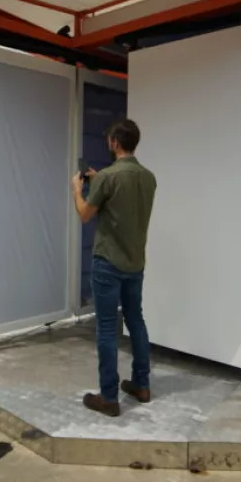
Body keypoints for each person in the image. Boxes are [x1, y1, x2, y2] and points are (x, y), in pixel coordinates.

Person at [70, 118, 157, 417]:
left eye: (109, 140)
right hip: (135, 262)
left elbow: (85, 214)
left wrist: (77, 190)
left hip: (108, 262)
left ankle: (109, 397)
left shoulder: (108, 177)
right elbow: (123, 201)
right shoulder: (148, 177)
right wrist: (98, 180)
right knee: (136, 321)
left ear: (116, 142)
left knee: (107, 329)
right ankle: (142, 385)